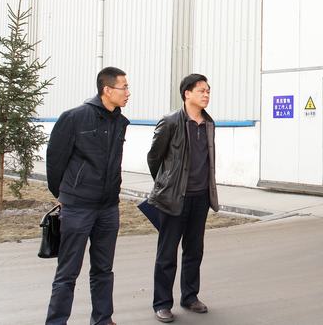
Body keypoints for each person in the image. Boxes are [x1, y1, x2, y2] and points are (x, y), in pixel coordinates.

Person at [45, 67, 131, 325]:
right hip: (78, 208)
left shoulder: (120, 122)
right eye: (124, 87)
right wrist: (64, 194)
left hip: (108, 208)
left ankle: (103, 319)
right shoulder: (74, 118)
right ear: (107, 90)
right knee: (68, 272)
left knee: (104, 269)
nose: (128, 92)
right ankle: (56, 322)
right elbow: (55, 160)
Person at [147, 73, 219, 323]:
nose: (206, 95)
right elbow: (154, 158)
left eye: (208, 91)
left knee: (194, 251)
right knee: (167, 253)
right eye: (201, 91)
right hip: (174, 198)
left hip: (201, 198)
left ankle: (190, 296)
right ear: (187, 94)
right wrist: (167, 184)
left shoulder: (208, 123)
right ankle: (162, 303)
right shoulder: (170, 122)